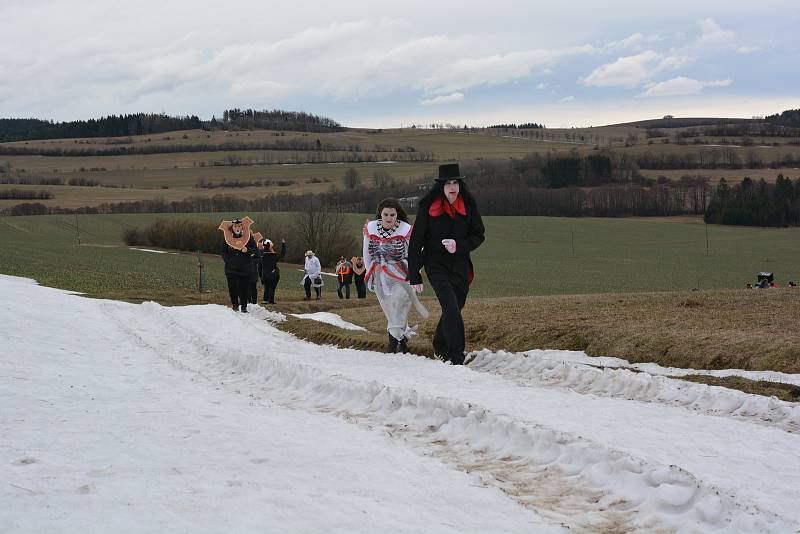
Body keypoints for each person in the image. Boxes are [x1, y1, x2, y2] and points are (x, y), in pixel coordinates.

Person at [406, 163, 485, 365]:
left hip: (460, 264)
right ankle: (456, 356)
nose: (452, 187)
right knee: (450, 307)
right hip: (435, 263)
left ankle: (439, 345)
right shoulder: (428, 207)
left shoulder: (469, 206)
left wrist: (458, 245)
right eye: (448, 183)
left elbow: (478, 235)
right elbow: (416, 242)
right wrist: (414, 274)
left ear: (460, 185)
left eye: (456, 183)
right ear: (441, 186)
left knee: (456, 308)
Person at [364, 198, 428, 353]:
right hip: (379, 275)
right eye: (385, 214)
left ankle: (392, 344)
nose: (388, 218)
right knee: (390, 309)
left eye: (392, 214)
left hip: (401, 274)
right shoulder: (371, 228)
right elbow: (366, 252)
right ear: (381, 214)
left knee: (398, 303)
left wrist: (415, 275)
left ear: (396, 215)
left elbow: (414, 253)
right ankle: (403, 338)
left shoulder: (405, 230)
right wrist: (369, 273)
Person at [220, 218, 258, 312]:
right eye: (235, 226)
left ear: (242, 227)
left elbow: (256, 251)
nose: (237, 228)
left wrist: (247, 250)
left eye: (239, 226)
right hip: (231, 269)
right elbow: (223, 252)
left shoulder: (248, 237)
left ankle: (244, 306)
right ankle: (235, 305)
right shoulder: (227, 237)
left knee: (244, 288)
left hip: (245, 268)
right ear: (232, 227)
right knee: (233, 288)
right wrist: (228, 261)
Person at [260, 237, 287, 304]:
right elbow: (282, 254)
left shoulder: (262, 255)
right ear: (269, 246)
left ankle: (265, 300)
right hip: (273, 274)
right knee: (272, 288)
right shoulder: (273, 255)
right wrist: (283, 244)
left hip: (265, 274)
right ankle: (271, 300)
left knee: (266, 288)